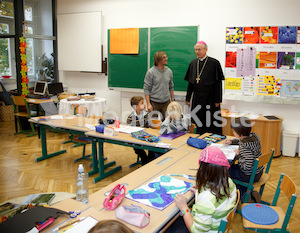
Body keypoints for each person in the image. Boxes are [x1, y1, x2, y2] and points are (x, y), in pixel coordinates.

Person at [169, 146, 236, 233]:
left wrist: (184, 208)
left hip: (207, 230)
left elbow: (196, 231)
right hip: (219, 227)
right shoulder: (229, 182)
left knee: (171, 226)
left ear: (202, 170)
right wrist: (201, 191)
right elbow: (212, 201)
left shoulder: (206, 199)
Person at [184, 41, 224, 135]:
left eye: (199, 49)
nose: (197, 52)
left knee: (210, 121)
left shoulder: (214, 63)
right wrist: (188, 97)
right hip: (197, 98)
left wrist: (218, 100)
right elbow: (190, 83)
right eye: (196, 50)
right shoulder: (193, 63)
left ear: (206, 49)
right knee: (197, 121)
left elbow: (218, 83)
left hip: (210, 99)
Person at [224, 117, 262, 203]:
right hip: (258, 171)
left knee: (226, 171)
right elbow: (241, 141)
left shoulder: (244, 147)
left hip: (249, 174)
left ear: (239, 133)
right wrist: (232, 142)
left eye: (233, 131)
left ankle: (243, 193)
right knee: (233, 168)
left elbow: (246, 166)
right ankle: (250, 192)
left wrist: (239, 155)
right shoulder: (254, 137)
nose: (233, 132)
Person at [144, 51, 175, 120]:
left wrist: (173, 100)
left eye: (166, 56)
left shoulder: (169, 71)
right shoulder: (151, 72)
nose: (166, 58)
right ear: (158, 60)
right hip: (154, 103)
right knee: (153, 124)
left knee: (167, 122)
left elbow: (171, 86)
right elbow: (146, 89)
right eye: (164, 57)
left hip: (166, 102)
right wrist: (148, 104)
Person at [127, 96, 155, 165]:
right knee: (137, 147)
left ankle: (149, 161)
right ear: (136, 107)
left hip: (147, 137)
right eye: (142, 103)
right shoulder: (131, 117)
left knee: (152, 146)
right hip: (137, 138)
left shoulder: (147, 115)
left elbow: (150, 127)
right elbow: (130, 129)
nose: (145, 104)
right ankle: (145, 160)